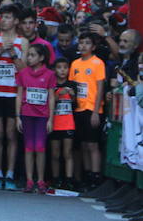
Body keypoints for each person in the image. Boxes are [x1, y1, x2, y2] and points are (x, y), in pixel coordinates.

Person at [0, 4, 26, 190]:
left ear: (16, 21)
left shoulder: (22, 42)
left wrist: (13, 55)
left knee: (11, 134)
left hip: (12, 93)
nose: (4, 20)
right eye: (2, 16)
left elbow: (25, 72)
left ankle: (10, 174)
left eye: (8, 17)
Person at [15, 43, 56, 193]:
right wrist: (17, 116)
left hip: (42, 116)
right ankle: (29, 180)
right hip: (27, 114)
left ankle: (40, 180)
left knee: (40, 147)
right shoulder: (23, 74)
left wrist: (51, 118)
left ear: (41, 58)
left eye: (32, 55)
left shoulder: (50, 75)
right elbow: (19, 96)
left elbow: (51, 97)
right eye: (28, 55)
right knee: (28, 147)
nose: (29, 58)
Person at [70, 31, 107, 188]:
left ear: (93, 46)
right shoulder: (75, 64)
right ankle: (86, 175)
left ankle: (95, 176)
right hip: (78, 108)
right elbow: (72, 86)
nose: (83, 46)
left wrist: (96, 111)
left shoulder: (98, 63)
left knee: (93, 144)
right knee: (83, 144)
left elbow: (100, 89)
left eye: (87, 43)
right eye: (81, 42)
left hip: (92, 108)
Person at [50, 58, 77, 190]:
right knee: (55, 153)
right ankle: (55, 179)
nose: (62, 70)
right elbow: (49, 103)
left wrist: (72, 96)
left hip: (68, 123)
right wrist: (57, 94)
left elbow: (76, 104)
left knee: (68, 152)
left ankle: (69, 179)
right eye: (59, 67)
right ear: (54, 69)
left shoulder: (72, 84)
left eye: (65, 67)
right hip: (55, 123)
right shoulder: (52, 84)